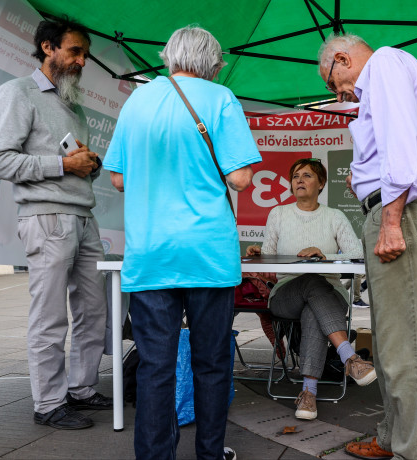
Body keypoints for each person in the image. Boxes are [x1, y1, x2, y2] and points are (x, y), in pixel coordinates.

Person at [104, 26, 261, 460]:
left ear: (168, 56)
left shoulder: (137, 101)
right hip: (207, 253)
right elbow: (241, 177)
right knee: (211, 364)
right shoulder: (220, 99)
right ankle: (210, 455)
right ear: (215, 64)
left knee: (156, 366)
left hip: (150, 254)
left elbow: (118, 179)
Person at [318, 34, 417, 460]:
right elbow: (394, 142)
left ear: (342, 58)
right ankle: (393, 439)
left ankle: (412, 452)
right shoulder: (386, 73)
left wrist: (390, 219)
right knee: (392, 341)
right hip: (397, 209)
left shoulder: (386, 64)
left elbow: (401, 144)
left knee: (402, 347)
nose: (338, 94)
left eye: (332, 82)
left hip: (403, 212)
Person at [0, 17, 111, 430]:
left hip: (83, 216)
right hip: (45, 217)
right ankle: (48, 403)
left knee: (95, 311)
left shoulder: (73, 105)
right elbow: (0, 160)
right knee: (50, 316)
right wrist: (62, 163)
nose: (82, 61)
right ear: (47, 48)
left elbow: (73, 166)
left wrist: (87, 165)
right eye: (75, 51)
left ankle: (81, 388)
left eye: (85, 55)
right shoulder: (17, 92)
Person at [246, 158, 376, 421]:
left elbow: (358, 254)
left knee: (313, 306)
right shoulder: (279, 214)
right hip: (285, 294)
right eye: (295, 176)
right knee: (311, 279)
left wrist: (323, 255)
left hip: (328, 295)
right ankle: (349, 358)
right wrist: (259, 253)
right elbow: (269, 256)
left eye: (307, 175)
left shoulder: (334, 216)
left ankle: (308, 394)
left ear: (321, 184)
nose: (299, 180)